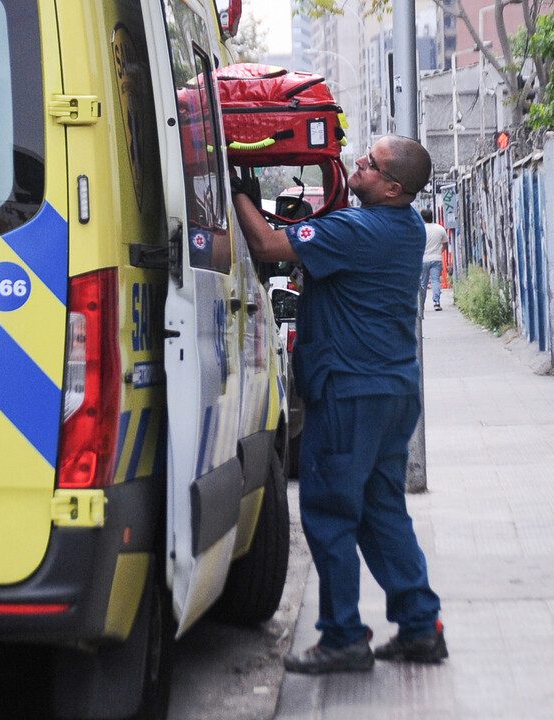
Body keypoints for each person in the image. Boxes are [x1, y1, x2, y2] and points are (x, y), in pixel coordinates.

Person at [230, 135, 445, 674]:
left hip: (352, 392)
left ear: (393, 187)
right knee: (381, 511)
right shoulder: (404, 224)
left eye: (370, 165)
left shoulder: (359, 229)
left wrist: (235, 189)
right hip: (391, 390)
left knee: (328, 511)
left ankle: (343, 636)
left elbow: (266, 246)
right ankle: (421, 625)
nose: (358, 164)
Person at [420, 208, 448, 312]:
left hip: (423, 259)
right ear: (432, 216)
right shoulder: (440, 228)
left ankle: (421, 304)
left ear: (422, 218)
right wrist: (439, 251)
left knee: (423, 282)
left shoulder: (420, 229)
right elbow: (445, 244)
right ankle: (436, 302)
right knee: (436, 280)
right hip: (436, 258)